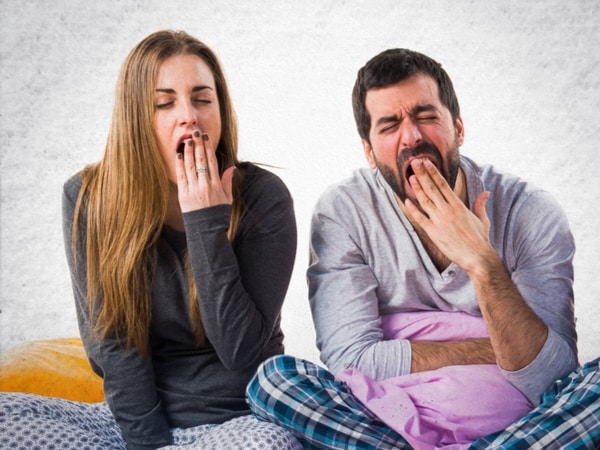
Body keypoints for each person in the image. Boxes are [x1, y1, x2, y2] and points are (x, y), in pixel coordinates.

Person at [246, 48, 594, 449]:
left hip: (520, 423)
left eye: (426, 116)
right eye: (390, 124)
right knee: (275, 381)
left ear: (458, 128)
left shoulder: (530, 211)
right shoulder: (343, 212)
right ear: (369, 152)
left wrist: (482, 264)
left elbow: (551, 375)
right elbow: (353, 361)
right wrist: (501, 348)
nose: (411, 137)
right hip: (386, 422)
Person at [0, 30, 300, 450]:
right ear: (135, 119)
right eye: (164, 103)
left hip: (242, 421)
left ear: (220, 110)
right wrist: (148, 444)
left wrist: (204, 221)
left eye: (202, 99)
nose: (188, 116)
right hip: (135, 427)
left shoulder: (264, 197)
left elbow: (242, 353)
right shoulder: (88, 198)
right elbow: (113, 347)